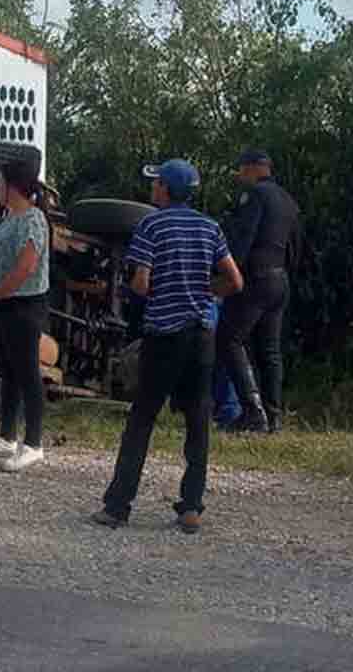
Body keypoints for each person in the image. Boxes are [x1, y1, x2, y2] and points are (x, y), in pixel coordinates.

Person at [92, 159, 243, 534]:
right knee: (198, 420)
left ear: (165, 189)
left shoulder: (151, 225)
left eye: (156, 182)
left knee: (142, 419)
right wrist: (207, 291)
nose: (152, 187)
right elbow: (235, 280)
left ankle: (117, 506)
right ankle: (191, 508)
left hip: (164, 335)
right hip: (201, 335)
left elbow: (141, 283)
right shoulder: (210, 227)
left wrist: (143, 295)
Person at [0, 150, 51, 472]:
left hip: (23, 305)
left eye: (0, 182)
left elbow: (25, 267)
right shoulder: (8, 219)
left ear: (12, 185)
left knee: (27, 372)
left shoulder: (33, 219)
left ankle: (34, 443)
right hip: (2, 305)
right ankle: (6, 436)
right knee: (8, 371)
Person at [217, 149, 301, 434]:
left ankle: (253, 413)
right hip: (280, 280)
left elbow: (244, 238)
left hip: (255, 278)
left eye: (241, 169)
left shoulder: (255, 195)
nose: (240, 175)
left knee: (228, 339)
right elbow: (296, 247)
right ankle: (273, 418)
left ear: (253, 168)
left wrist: (229, 276)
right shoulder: (288, 200)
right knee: (269, 350)